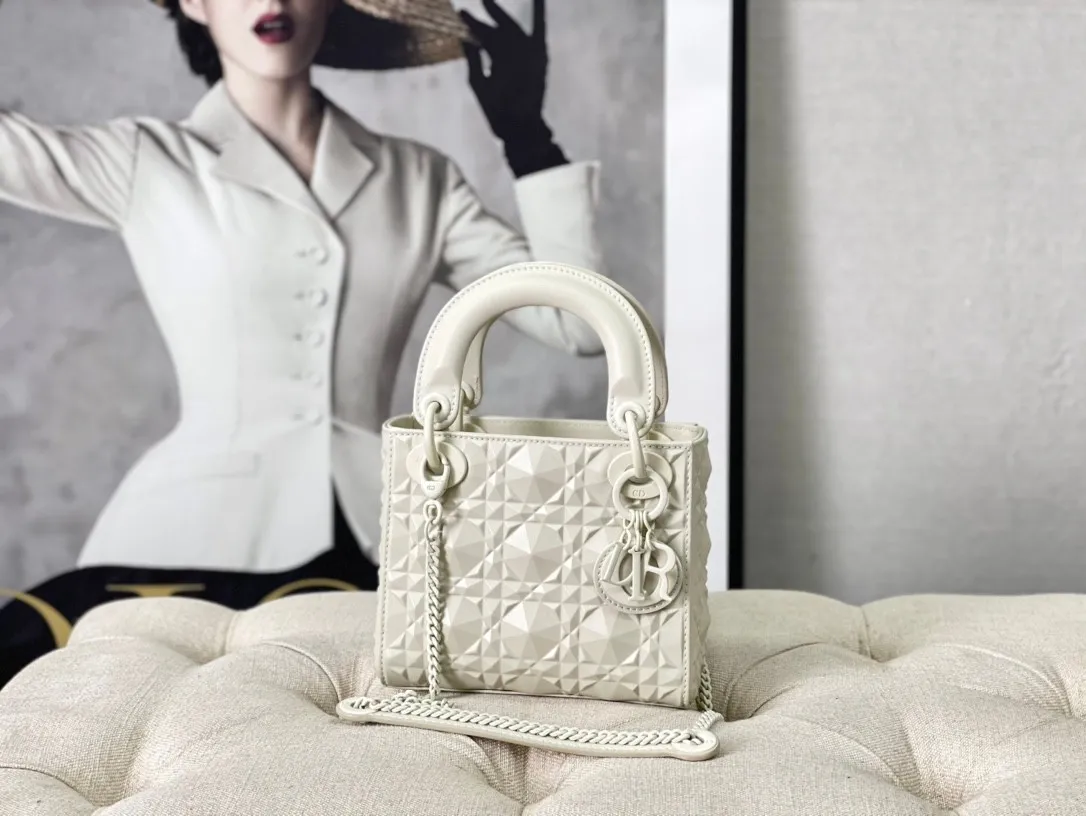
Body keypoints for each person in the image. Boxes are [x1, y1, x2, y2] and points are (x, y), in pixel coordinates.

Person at [0, 0, 607, 585]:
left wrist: (528, 138)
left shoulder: (420, 179)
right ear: (193, 3)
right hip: (195, 538)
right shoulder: (148, 162)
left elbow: (579, 325)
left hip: (380, 538)